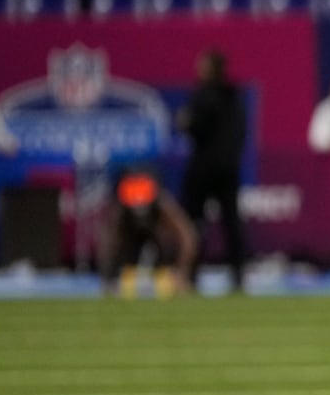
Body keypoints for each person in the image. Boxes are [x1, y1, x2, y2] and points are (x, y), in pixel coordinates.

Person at [177, 50, 247, 293]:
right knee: (231, 223)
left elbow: (194, 127)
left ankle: (192, 274)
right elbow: (240, 132)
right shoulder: (234, 97)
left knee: (195, 222)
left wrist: (185, 122)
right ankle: (238, 275)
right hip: (228, 168)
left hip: (204, 169)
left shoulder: (203, 96)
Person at [97, 164, 197, 297]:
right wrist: (107, 278)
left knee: (165, 255)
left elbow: (187, 237)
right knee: (123, 252)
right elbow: (108, 243)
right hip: (131, 241)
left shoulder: (164, 205)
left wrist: (182, 272)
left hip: (160, 243)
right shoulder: (120, 213)